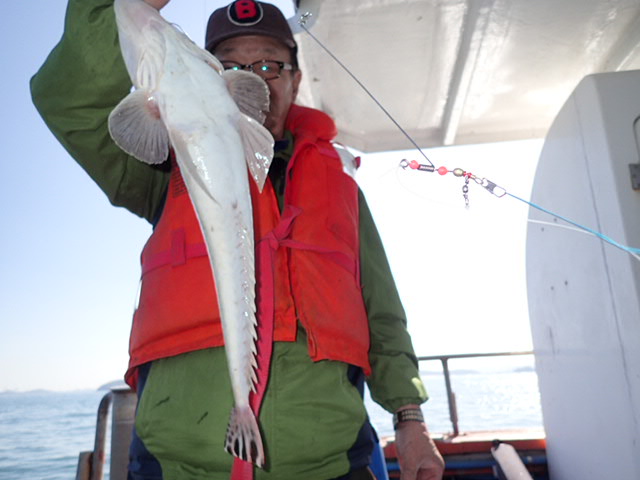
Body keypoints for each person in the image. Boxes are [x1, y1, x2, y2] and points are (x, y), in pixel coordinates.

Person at [31, 0, 445, 479]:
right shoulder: (162, 167)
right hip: (178, 466)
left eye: (270, 65)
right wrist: (110, 8)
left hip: (330, 463)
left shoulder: (341, 189)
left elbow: (383, 313)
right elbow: (69, 102)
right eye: (230, 66)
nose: (256, 80)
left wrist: (409, 417)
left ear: (295, 79)